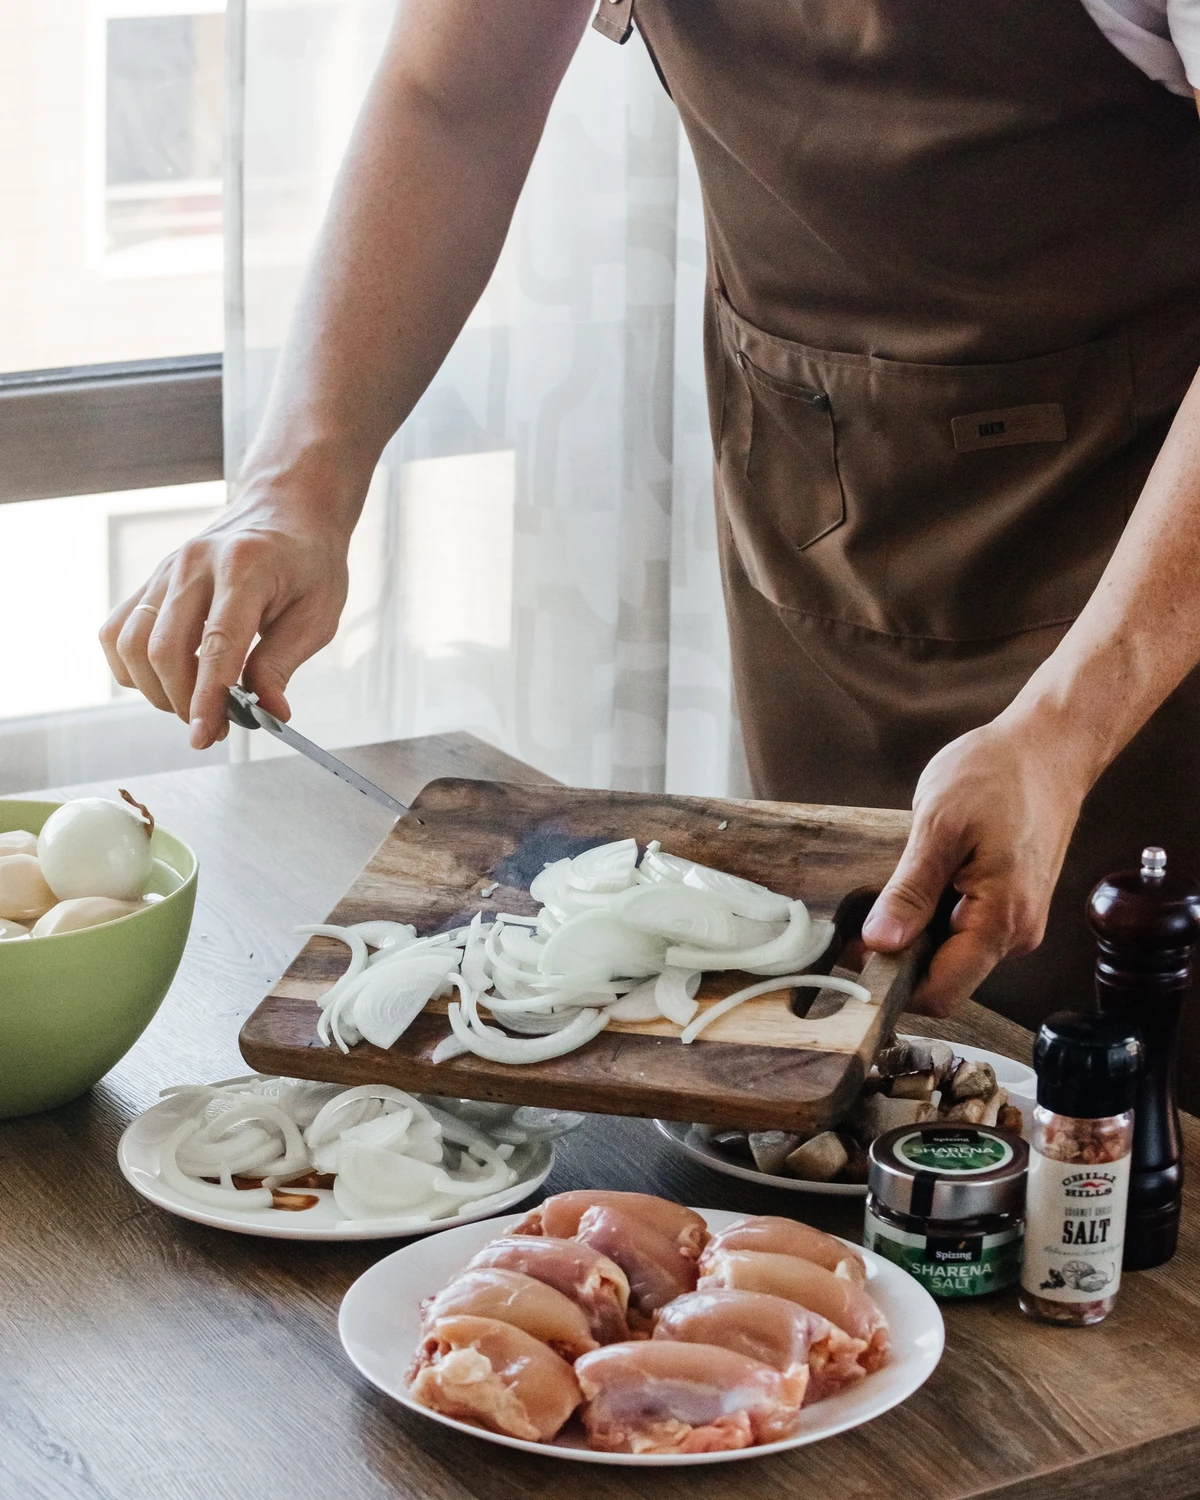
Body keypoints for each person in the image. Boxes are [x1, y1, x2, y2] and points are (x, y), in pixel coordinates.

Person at [100, 0, 1200, 1081]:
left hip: (1154, 579)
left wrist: (1064, 728)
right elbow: (452, 96)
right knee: (831, 1053)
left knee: (1129, 1126)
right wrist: (294, 486)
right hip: (823, 517)